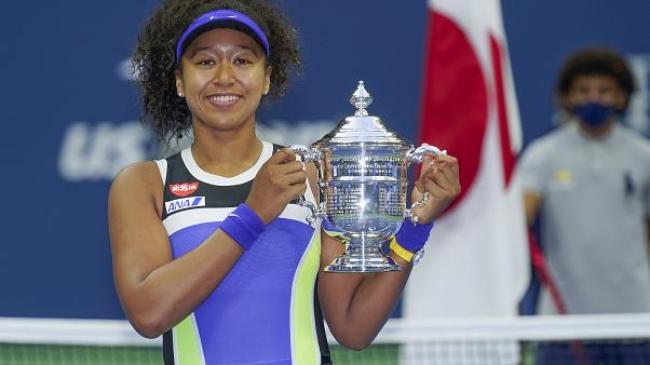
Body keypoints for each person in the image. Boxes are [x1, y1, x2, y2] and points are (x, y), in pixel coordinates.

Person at [108, 1, 461, 364]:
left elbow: (354, 328)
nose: (225, 76)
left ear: (267, 78)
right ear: (180, 82)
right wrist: (253, 213)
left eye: (243, 60)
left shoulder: (311, 174)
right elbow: (149, 314)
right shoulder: (145, 184)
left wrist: (414, 229)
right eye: (205, 61)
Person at [518, 47, 650, 363]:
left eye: (604, 91)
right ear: (567, 97)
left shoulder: (643, 155)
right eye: (584, 90)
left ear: (622, 97)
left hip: (635, 318)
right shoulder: (543, 155)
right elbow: (518, 221)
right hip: (563, 323)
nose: (594, 98)